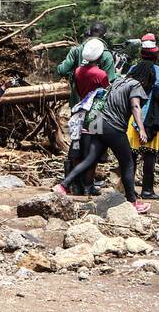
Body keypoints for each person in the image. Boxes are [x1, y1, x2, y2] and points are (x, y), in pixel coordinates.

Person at [55, 71, 151, 213]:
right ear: (146, 80)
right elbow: (135, 106)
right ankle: (132, 202)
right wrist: (141, 129)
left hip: (99, 124)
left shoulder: (118, 81)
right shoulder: (135, 85)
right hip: (114, 127)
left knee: (90, 159)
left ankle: (63, 185)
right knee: (128, 163)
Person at [126, 34, 159, 199]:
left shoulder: (132, 70)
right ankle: (147, 190)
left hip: (134, 117)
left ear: (141, 54)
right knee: (149, 155)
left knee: (131, 155)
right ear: (156, 55)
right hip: (153, 118)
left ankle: (129, 190)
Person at [64, 38, 109, 195]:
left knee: (77, 147)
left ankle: (77, 185)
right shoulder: (101, 74)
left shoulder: (77, 71)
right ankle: (89, 185)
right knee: (92, 151)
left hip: (79, 111)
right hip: (95, 114)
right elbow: (105, 94)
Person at [56, 21, 116, 108]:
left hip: (77, 104)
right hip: (96, 107)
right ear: (104, 35)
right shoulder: (107, 55)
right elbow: (109, 83)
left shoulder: (76, 50)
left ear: (90, 32)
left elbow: (62, 70)